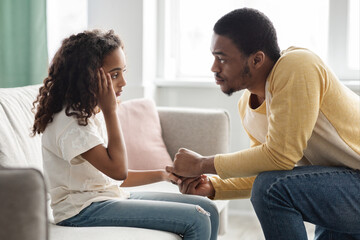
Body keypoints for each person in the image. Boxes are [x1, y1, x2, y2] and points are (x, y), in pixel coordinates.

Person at [166, 8, 360, 240]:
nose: (214, 68)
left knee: (271, 189)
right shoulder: (247, 105)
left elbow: (280, 156)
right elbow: (266, 168)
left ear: (257, 59)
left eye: (222, 58)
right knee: (270, 184)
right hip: (341, 182)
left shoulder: (297, 65)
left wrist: (201, 165)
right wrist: (214, 186)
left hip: (351, 180)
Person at [32, 29, 219, 240]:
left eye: (123, 71)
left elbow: (111, 178)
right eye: (114, 75)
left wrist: (163, 174)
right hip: (80, 211)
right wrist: (110, 111)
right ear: (87, 77)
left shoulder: (86, 111)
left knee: (207, 208)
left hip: (105, 197)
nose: (123, 82)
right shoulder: (70, 123)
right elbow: (118, 171)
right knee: (197, 218)